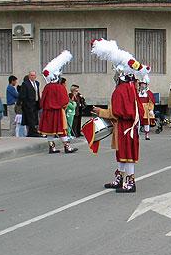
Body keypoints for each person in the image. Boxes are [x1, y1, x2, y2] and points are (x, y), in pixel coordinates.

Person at [90, 39, 145, 193]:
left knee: (127, 155)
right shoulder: (130, 87)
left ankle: (130, 182)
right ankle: (120, 179)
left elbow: (119, 112)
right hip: (125, 126)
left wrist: (101, 112)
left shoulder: (122, 90)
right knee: (121, 153)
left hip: (125, 126)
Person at [38, 55, 78, 154]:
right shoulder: (60, 88)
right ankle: (67, 147)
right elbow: (65, 101)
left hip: (47, 111)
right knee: (62, 130)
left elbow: (42, 100)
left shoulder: (47, 87)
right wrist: (62, 108)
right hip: (58, 111)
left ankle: (51, 147)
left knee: (49, 130)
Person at [19, 70, 42, 137]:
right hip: (29, 104)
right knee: (30, 118)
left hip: (35, 103)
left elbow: (37, 93)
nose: (32, 77)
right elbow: (23, 95)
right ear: (29, 76)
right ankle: (32, 132)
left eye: (34, 75)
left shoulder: (37, 83)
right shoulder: (25, 84)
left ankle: (34, 130)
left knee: (35, 117)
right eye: (31, 75)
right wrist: (27, 103)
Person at [137, 73, 156, 140]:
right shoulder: (137, 92)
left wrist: (151, 109)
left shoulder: (148, 93)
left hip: (146, 109)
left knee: (146, 122)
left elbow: (151, 101)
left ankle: (146, 135)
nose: (142, 85)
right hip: (138, 108)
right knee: (137, 122)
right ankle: (137, 135)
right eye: (141, 84)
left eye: (143, 84)